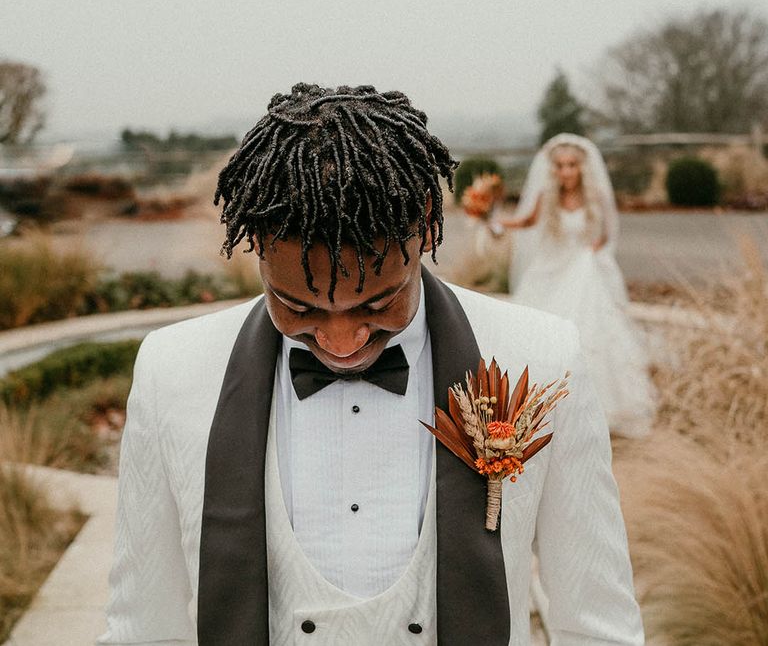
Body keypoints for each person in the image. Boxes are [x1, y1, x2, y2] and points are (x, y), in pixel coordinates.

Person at [98, 86, 644, 645]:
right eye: (300, 307)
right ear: (257, 244)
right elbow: (142, 627)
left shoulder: (543, 356)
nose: (340, 341)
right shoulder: (171, 371)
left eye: (377, 303)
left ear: (426, 223)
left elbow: (596, 623)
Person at [498, 133, 655, 439]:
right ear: (553, 168)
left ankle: (598, 410)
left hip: (583, 268)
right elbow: (527, 221)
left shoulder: (595, 194)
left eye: (572, 165)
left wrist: (592, 254)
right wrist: (495, 221)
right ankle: (543, 407)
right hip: (552, 267)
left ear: (582, 167)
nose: (566, 171)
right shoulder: (548, 195)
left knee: (590, 330)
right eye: (560, 165)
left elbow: (607, 235)